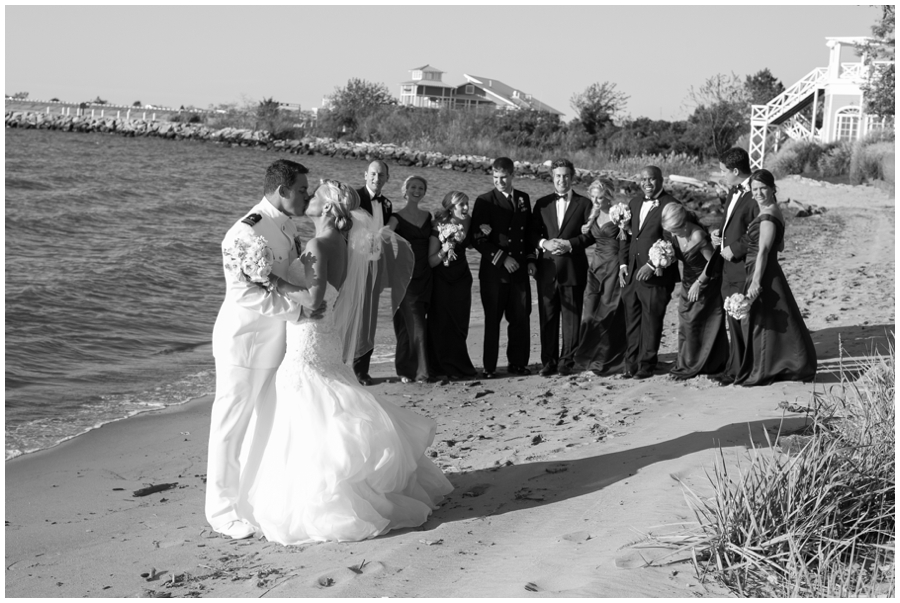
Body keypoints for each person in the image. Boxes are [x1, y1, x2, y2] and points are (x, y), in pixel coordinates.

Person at [242, 179, 453, 544]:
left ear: (327, 208)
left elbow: (313, 298)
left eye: (315, 194)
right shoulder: (338, 242)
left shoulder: (318, 244)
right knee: (324, 402)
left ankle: (327, 499)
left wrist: (269, 278)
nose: (308, 196)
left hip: (309, 336)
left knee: (308, 403)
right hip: (322, 336)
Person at [207, 159, 318, 540]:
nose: (308, 195)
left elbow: (284, 275)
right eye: (302, 190)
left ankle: (249, 500)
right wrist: (298, 310)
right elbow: (244, 291)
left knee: (262, 424)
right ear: (281, 190)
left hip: (276, 342)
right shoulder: (245, 232)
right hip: (245, 343)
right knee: (230, 426)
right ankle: (221, 512)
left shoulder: (285, 224)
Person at [734, 169, 817, 386]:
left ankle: (768, 368)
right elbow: (779, 245)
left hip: (762, 272)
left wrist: (755, 281)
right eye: (755, 189)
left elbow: (763, 251)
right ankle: (781, 363)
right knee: (773, 319)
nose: (759, 193)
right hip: (767, 269)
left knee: (764, 321)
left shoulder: (768, 217)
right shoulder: (774, 210)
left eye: (763, 188)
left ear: (773, 189)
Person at [527, 159, 594, 377]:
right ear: (552, 177)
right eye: (558, 175)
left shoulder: (584, 204)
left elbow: (591, 235)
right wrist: (543, 243)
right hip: (546, 269)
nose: (562, 179)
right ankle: (548, 361)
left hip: (573, 268)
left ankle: (568, 361)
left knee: (572, 318)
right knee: (547, 317)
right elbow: (532, 233)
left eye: (565, 175)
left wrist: (570, 244)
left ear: (572, 177)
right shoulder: (541, 204)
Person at [470, 157, 533, 378]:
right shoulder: (485, 201)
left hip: (519, 270)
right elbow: (477, 238)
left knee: (520, 318)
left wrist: (531, 260)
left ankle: (518, 363)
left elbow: (528, 234)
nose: (500, 182)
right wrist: (502, 258)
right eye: (496, 177)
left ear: (513, 175)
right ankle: (489, 367)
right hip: (494, 272)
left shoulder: (523, 199)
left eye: (504, 177)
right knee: (492, 321)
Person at [619, 165, 680, 379]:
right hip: (631, 273)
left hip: (657, 276)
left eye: (652, 179)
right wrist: (623, 265)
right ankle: (630, 363)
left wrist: (653, 265)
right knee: (632, 320)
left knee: (652, 320)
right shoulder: (634, 203)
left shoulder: (671, 205)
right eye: (644, 179)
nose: (647, 183)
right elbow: (626, 236)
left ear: (661, 180)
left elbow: (672, 242)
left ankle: (647, 364)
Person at [660, 203, 728, 380]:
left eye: (675, 231)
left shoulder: (698, 236)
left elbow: (713, 264)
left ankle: (703, 363)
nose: (673, 235)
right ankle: (686, 362)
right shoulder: (675, 233)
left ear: (684, 224)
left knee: (699, 322)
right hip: (688, 280)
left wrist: (699, 283)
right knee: (685, 319)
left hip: (706, 281)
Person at [710, 147, 760, 385]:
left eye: (723, 171)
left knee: (743, 317)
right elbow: (730, 222)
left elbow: (759, 231)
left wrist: (736, 248)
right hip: (727, 266)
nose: (722, 176)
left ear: (736, 171)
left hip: (743, 266)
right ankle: (734, 367)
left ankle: (743, 370)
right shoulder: (733, 192)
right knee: (733, 316)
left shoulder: (756, 193)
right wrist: (718, 235)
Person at [572, 178, 627, 375]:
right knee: (588, 313)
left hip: (613, 267)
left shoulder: (618, 213)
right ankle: (588, 356)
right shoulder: (593, 214)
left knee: (606, 314)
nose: (596, 200)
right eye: (593, 197)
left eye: (600, 197)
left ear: (609, 197)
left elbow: (624, 241)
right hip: (595, 268)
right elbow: (589, 239)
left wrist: (623, 264)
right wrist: (579, 235)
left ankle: (603, 359)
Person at [426, 191, 478, 380]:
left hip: (462, 278)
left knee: (460, 323)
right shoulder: (437, 226)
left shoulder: (469, 221)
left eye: (467, 203)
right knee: (440, 323)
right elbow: (431, 262)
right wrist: (444, 249)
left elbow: (472, 244)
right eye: (460, 204)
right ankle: (439, 367)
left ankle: (459, 365)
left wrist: (484, 231)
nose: (465, 208)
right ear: (450, 207)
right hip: (442, 279)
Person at [388, 175, 434, 383]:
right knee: (415, 323)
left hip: (427, 274)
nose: (417, 190)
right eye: (413, 187)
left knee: (410, 324)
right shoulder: (396, 217)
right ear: (405, 190)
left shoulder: (428, 216)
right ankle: (421, 371)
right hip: (406, 277)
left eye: (421, 188)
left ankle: (405, 369)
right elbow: (383, 237)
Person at [353, 160, 393, 386]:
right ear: (365, 174)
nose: (377, 178)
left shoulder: (387, 204)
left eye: (381, 175)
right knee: (354, 314)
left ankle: (362, 369)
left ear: (387, 177)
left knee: (370, 317)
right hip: (354, 264)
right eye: (373, 174)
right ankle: (349, 367)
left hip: (375, 265)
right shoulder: (354, 199)